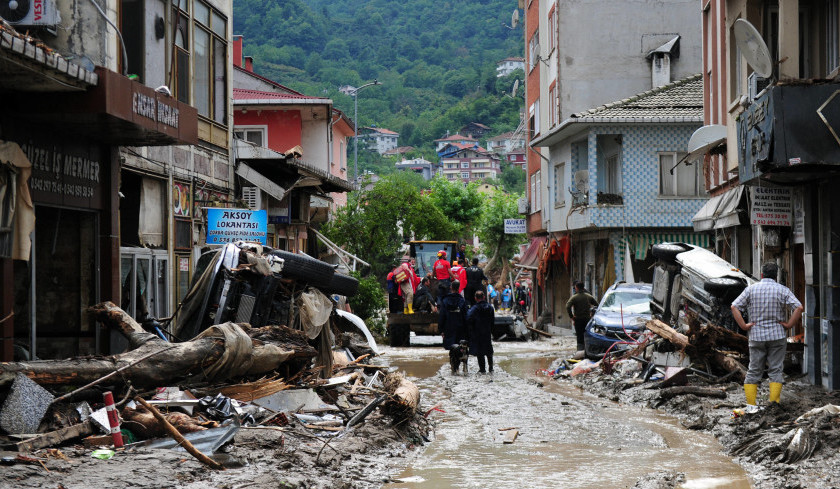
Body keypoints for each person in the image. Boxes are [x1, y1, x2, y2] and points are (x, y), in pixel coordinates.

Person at [731, 262, 803, 411]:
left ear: (762, 274)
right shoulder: (783, 290)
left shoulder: (751, 289)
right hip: (777, 335)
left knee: (754, 370)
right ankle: (774, 405)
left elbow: (734, 306)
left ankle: (751, 406)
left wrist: (744, 326)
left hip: (756, 336)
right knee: (776, 369)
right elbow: (799, 307)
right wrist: (789, 325)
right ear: (776, 275)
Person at [439, 280, 469, 374]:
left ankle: (453, 367)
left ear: (451, 288)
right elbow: (465, 316)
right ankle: (458, 367)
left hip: (448, 327)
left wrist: (441, 329)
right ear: (459, 288)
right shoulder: (462, 301)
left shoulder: (445, 300)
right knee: (459, 348)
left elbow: (442, 316)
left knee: (451, 349)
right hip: (460, 328)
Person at [566, 281, 598, 352]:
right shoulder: (589, 296)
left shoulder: (574, 297)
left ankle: (580, 352)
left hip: (578, 320)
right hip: (587, 320)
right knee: (587, 335)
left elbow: (567, 306)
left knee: (579, 337)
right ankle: (588, 351)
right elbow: (597, 305)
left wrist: (572, 317)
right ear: (583, 288)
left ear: (576, 288)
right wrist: (592, 315)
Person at [467, 290, 495, 374]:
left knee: (480, 351)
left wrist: (471, 329)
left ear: (475, 298)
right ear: (483, 297)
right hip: (487, 332)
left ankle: (482, 369)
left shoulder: (474, 309)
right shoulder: (490, 307)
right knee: (489, 350)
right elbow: (492, 320)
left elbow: (468, 318)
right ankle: (491, 368)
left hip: (477, 332)